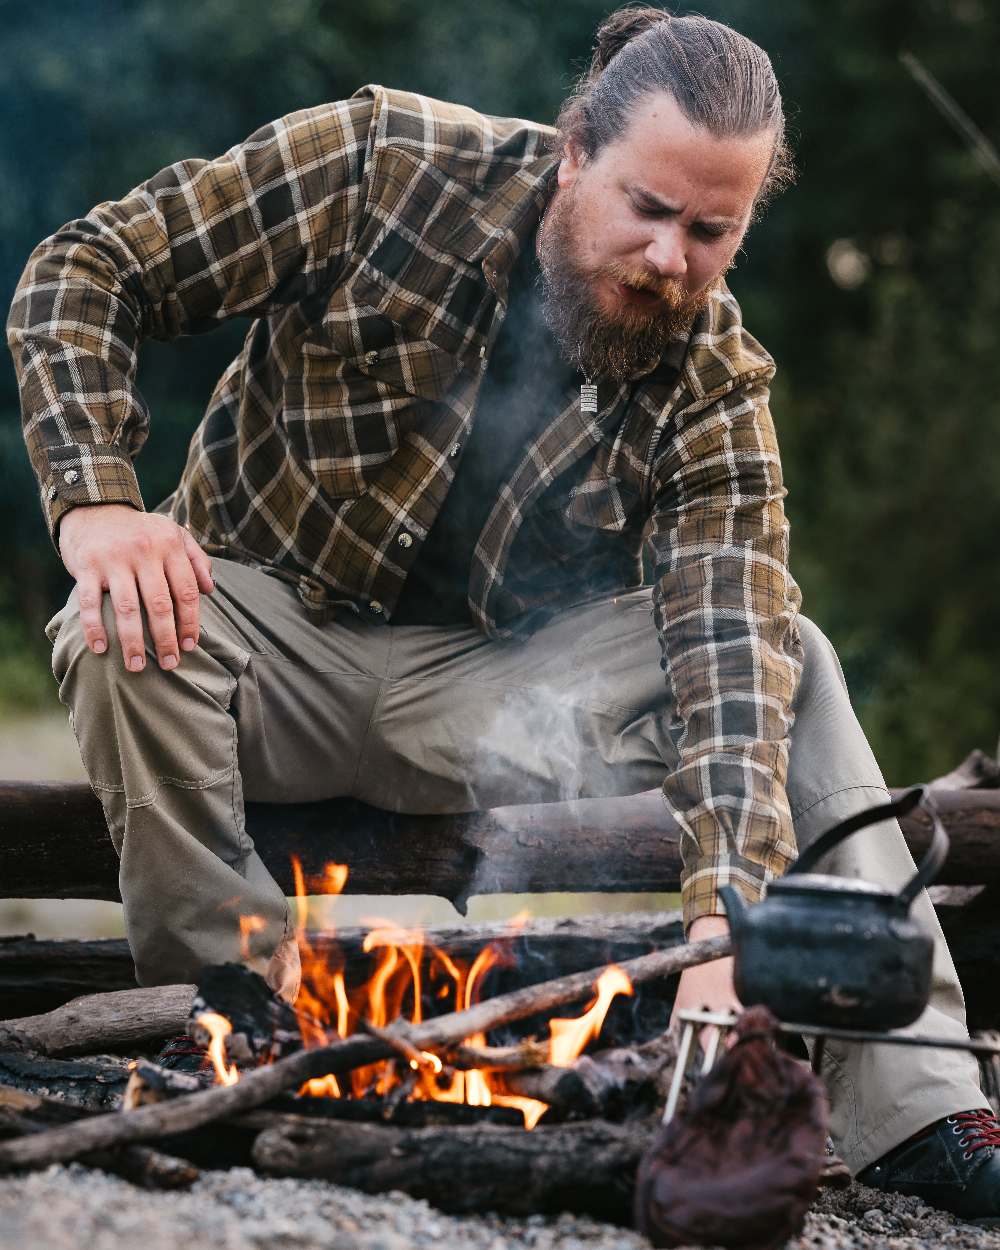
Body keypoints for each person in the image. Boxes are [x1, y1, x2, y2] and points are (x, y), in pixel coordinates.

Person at [9, 6, 1000, 1220]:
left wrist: (722, 919)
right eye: (646, 206)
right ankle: (242, 1029)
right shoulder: (377, 163)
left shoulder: (716, 381)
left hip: (495, 707)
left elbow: (730, 653)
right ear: (575, 148)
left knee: (789, 649)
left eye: (710, 231)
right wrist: (98, 503)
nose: (667, 258)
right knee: (122, 623)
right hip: (265, 646)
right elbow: (87, 269)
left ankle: (918, 1104)